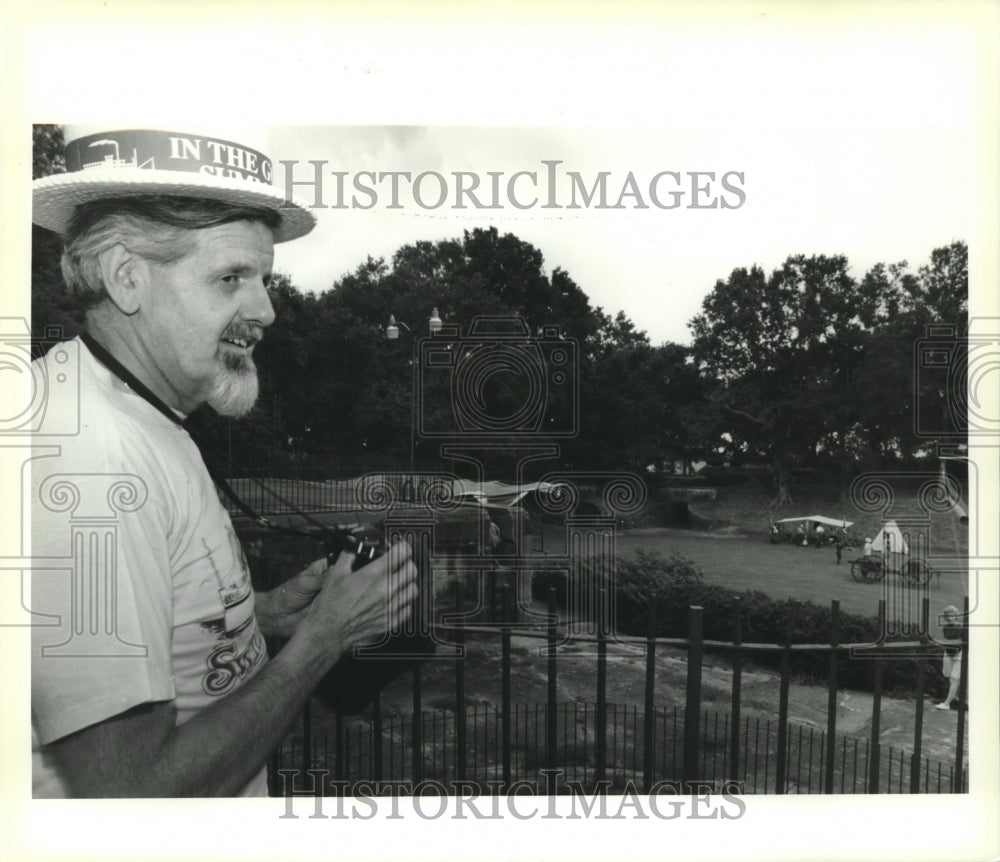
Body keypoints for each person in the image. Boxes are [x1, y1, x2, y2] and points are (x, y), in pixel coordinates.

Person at [29, 127, 419, 797]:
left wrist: (259, 617)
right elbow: (130, 797)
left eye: (264, 278)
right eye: (230, 277)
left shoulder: (138, 406)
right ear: (127, 278)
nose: (265, 310)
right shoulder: (89, 465)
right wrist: (324, 637)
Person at [936, 605, 966, 710]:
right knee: (946, 674)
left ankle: (946, 704)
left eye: (952, 615)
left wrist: (943, 643)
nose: (949, 617)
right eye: (947, 615)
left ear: (955, 616)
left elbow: (960, 642)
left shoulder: (961, 627)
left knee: (954, 679)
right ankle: (956, 691)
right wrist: (942, 643)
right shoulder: (945, 627)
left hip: (959, 655)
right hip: (948, 653)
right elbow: (947, 640)